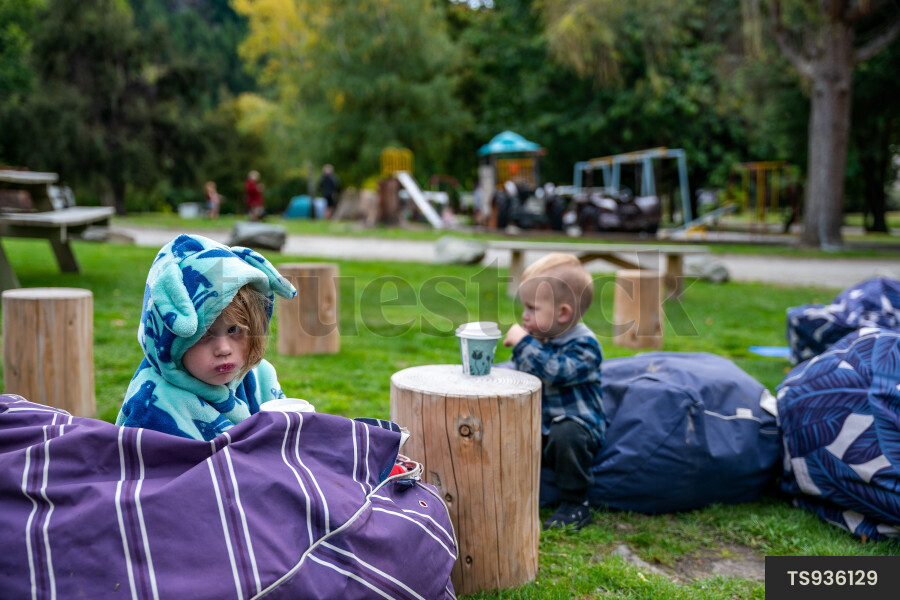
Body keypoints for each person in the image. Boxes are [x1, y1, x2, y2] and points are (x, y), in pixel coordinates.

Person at [116, 234, 298, 441]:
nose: (224, 349)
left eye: (234, 330)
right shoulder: (154, 409)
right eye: (203, 335)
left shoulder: (258, 377)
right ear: (170, 341)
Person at [502, 253, 605, 531]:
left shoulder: (585, 346)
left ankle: (576, 503)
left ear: (562, 313)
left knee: (566, 434)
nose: (524, 315)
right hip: (540, 424)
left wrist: (523, 344)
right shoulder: (541, 339)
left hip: (575, 426)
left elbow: (555, 371)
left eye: (532, 308)